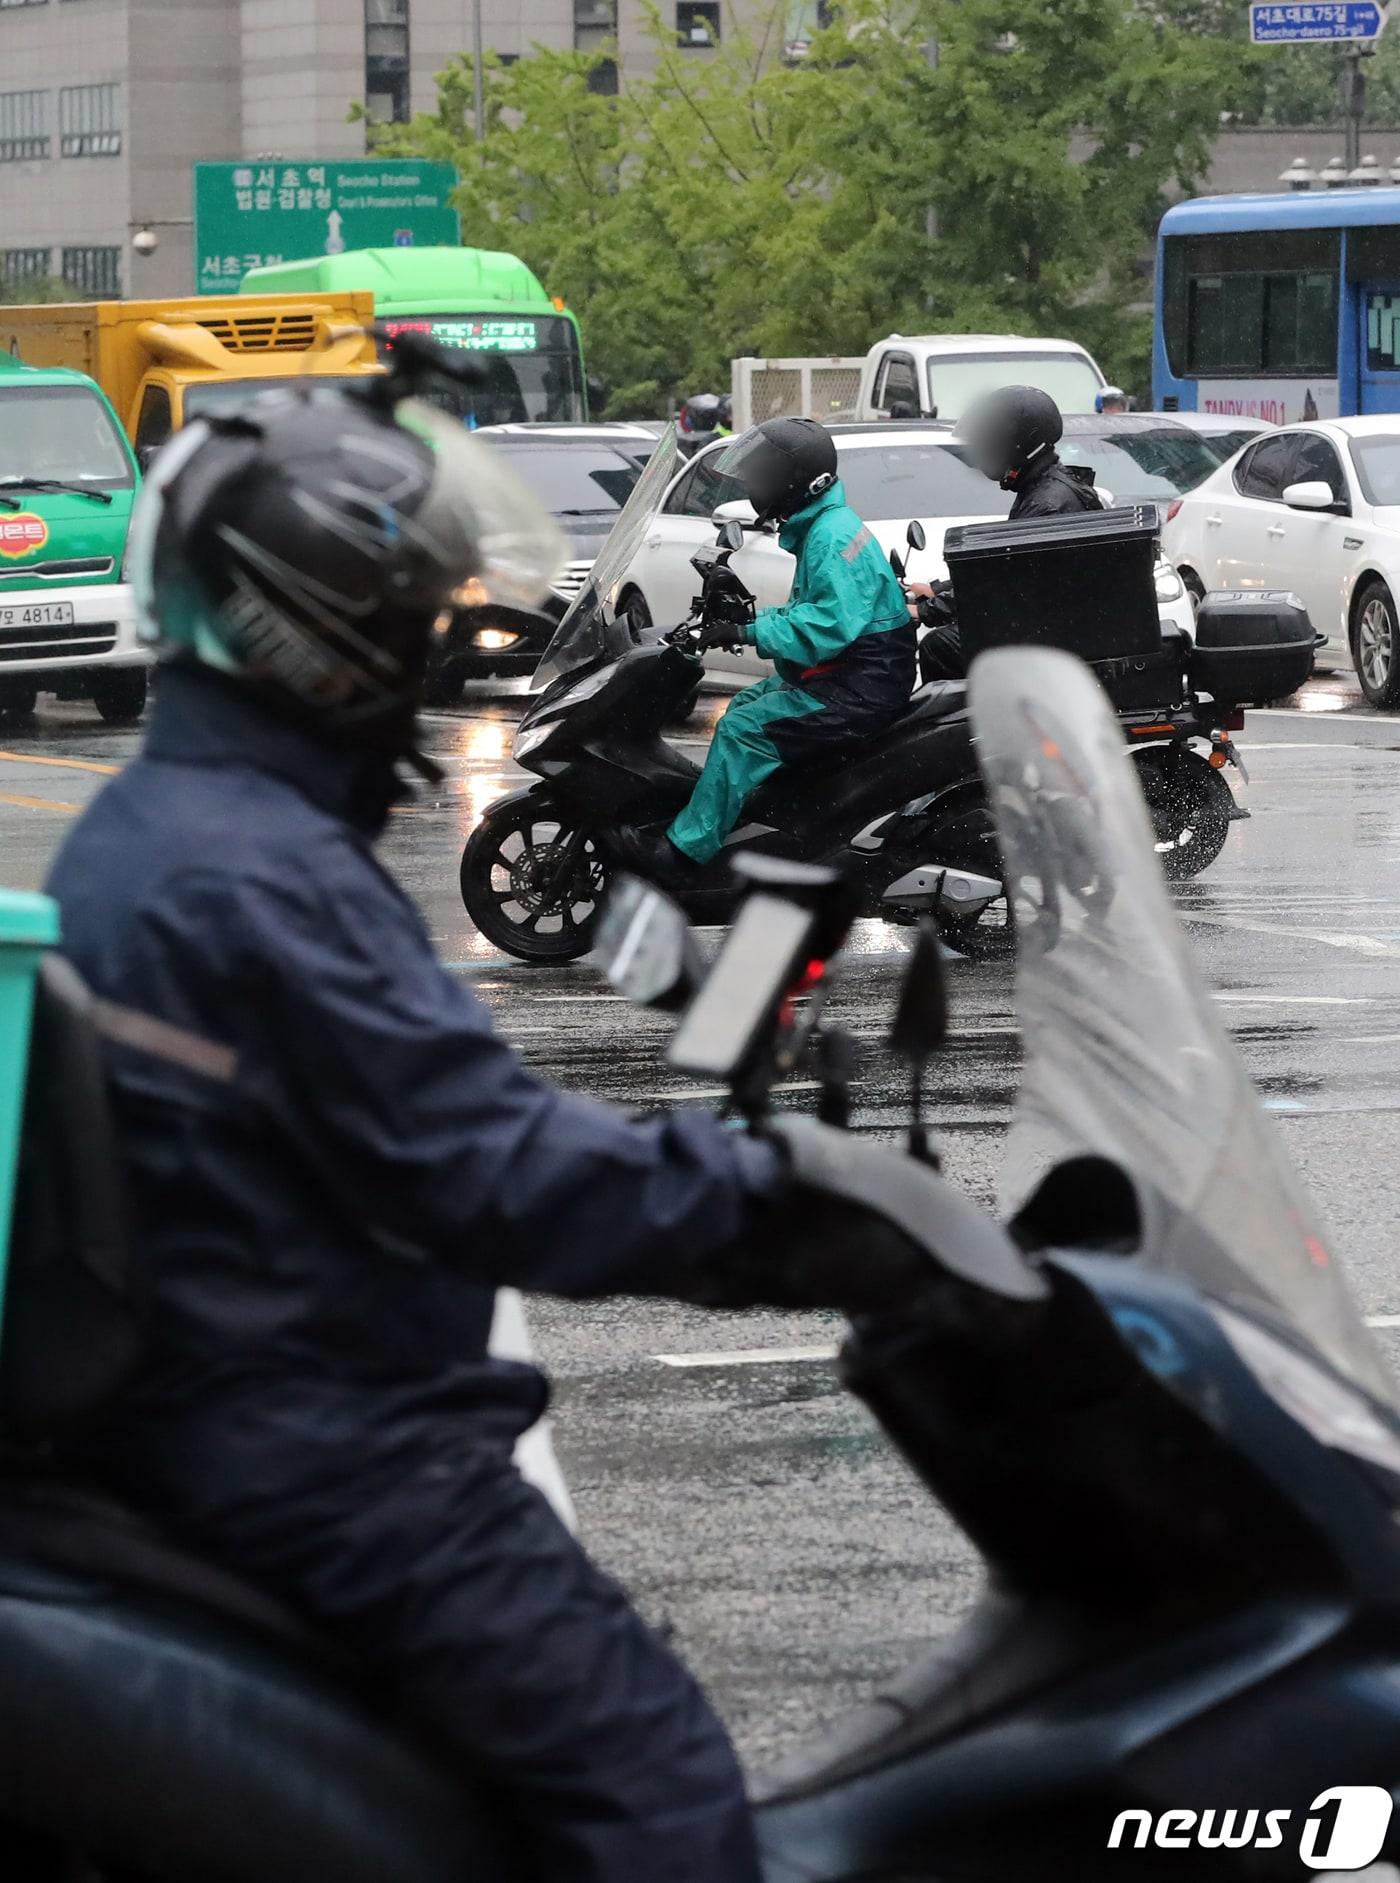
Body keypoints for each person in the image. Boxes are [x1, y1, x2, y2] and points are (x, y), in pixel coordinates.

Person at [44, 379, 934, 1883]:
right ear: (311, 627)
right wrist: (783, 1200)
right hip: (333, 1450)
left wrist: (722, 1034)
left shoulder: (176, 831)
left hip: (249, 1394)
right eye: (402, 606)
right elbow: (493, 1159)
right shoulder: (254, 878)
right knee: (657, 1787)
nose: (431, 639)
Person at [615, 417, 913, 883]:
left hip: (858, 687)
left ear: (800, 482)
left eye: (765, 477)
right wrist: (747, 623)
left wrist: (747, 632)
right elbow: (813, 611)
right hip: (849, 675)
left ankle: (685, 855)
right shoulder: (824, 526)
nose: (757, 487)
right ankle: (758, 820)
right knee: (750, 701)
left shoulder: (832, 537)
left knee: (741, 729)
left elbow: (828, 625)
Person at [913, 385, 1102, 684]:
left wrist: (927, 611)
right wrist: (938, 590)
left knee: (939, 646)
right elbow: (1005, 564)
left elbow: (1005, 584)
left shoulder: (1048, 504)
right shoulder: (1045, 487)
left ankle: (970, 730)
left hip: (1051, 637)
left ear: (1017, 443)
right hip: (1053, 625)